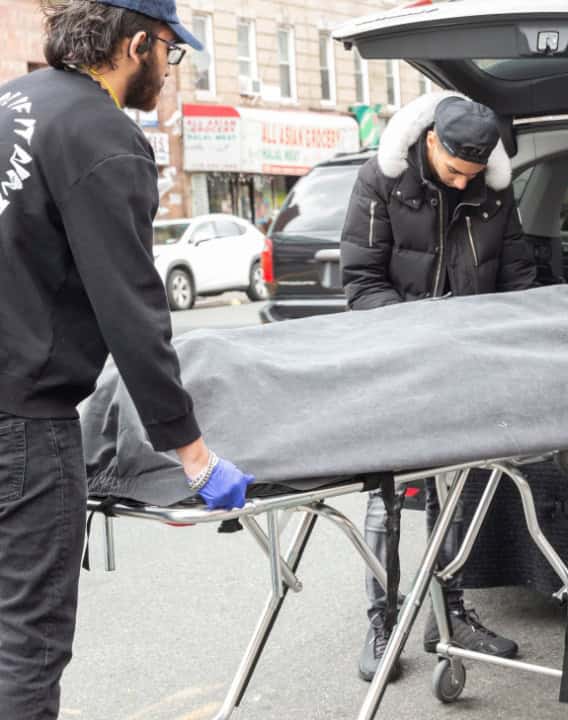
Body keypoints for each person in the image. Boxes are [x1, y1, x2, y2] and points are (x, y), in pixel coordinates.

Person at [0, 2, 254, 717]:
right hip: (21, 421)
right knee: (26, 643)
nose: (170, 73)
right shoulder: (102, 134)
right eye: (169, 53)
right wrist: (195, 454)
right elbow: (133, 314)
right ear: (136, 43)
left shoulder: (11, 102)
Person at [340, 93, 536, 681]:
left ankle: (448, 615)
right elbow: (361, 280)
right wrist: (420, 331)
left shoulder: (493, 191)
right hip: (397, 358)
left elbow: (517, 275)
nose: (462, 182)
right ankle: (381, 622)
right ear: (430, 142)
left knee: (456, 494)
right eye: (454, 171)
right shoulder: (382, 181)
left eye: (473, 175)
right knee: (390, 494)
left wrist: (517, 341)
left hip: (464, 361)